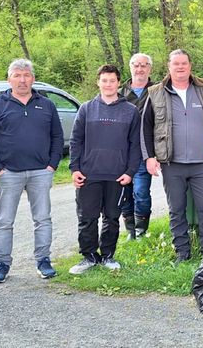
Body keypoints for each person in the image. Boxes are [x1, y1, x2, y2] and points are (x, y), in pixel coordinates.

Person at [0, 59, 64, 283]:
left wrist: (52, 165)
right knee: (5, 221)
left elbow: (57, 137)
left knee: (43, 219)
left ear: (33, 78)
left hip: (40, 172)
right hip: (9, 173)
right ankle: (2, 264)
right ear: (9, 79)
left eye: (26, 75)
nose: (22, 80)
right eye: (17, 75)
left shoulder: (46, 104)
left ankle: (43, 261)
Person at [141, 49, 203, 263]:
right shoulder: (156, 92)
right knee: (177, 210)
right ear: (169, 66)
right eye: (176, 63)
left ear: (190, 66)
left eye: (184, 63)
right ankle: (182, 252)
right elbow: (146, 127)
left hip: (201, 163)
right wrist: (149, 157)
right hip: (172, 163)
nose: (180, 67)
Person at [68, 65, 143, 274]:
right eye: (104, 80)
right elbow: (76, 141)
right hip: (89, 174)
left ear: (119, 83)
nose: (108, 84)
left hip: (117, 175)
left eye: (112, 80)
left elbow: (135, 144)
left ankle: (108, 256)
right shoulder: (86, 109)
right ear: (98, 82)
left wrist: (130, 172)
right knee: (87, 217)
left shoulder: (130, 111)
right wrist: (75, 168)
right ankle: (89, 256)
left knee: (112, 217)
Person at [121, 53, 155, 239]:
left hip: (145, 151)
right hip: (123, 151)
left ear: (150, 68)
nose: (140, 69)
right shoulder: (120, 93)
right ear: (130, 67)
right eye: (136, 65)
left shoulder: (158, 91)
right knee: (125, 193)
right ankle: (130, 230)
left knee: (141, 191)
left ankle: (142, 229)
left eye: (144, 65)